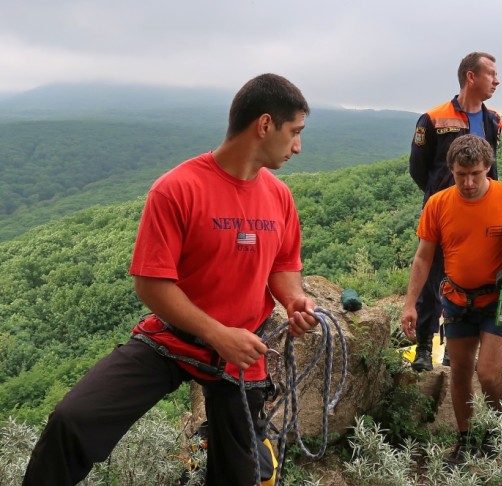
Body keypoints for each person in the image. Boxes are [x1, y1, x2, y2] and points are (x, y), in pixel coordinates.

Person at [23, 73, 319, 485]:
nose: (298, 147)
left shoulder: (279, 197)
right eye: (295, 132)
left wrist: (295, 301)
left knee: (241, 475)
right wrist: (217, 334)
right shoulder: (178, 189)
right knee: (73, 420)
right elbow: (151, 285)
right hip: (173, 339)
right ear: (265, 125)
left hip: (241, 350)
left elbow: (283, 270)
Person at [400, 134, 502, 465]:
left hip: (500, 299)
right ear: (451, 170)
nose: (468, 183)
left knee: (487, 373)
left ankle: (496, 430)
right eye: (460, 175)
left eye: (476, 174)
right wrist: (410, 303)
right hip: (457, 299)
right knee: (459, 373)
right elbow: (423, 258)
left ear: (488, 169)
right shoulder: (438, 203)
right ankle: (466, 439)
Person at [408, 51, 502, 371]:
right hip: (442, 214)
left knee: (466, 282)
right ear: (471, 77)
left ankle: (453, 347)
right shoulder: (433, 119)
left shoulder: (493, 120)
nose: (497, 80)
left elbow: (491, 167)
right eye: (491, 73)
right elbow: (418, 170)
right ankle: (423, 347)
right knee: (433, 277)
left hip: (479, 216)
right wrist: (440, 195)